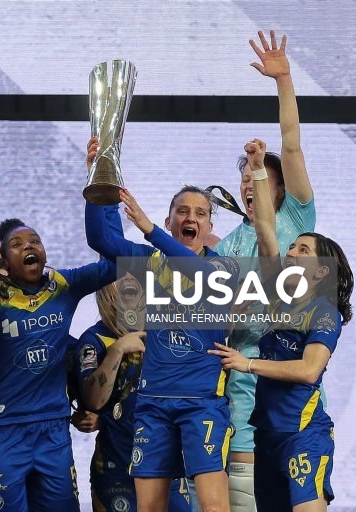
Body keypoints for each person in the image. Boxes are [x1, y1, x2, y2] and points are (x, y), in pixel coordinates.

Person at [86, 137, 239, 512]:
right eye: (182, 212)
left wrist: (149, 228)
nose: (191, 218)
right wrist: (98, 183)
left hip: (202, 404)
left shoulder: (223, 268)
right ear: (172, 221)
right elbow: (102, 238)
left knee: (214, 507)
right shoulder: (150, 261)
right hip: (152, 405)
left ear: (209, 224)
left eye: (200, 213)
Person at [0, 205, 118, 511]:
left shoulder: (64, 284)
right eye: (17, 245)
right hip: (4, 430)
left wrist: (101, 198)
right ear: (4, 263)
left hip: (53, 431)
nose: (28, 246)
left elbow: (116, 264)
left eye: (34, 241)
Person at [210, 138, 351, 511]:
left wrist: (248, 363)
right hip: (264, 438)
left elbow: (308, 371)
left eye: (302, 250)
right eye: (293, 247)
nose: (291, 252)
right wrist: (257, 168)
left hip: (303, 435)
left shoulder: (323, 311)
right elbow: (265, 230)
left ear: (321, 271)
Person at [211, 31, 317, 510]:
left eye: (259, 178)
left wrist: (285, 81)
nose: (249, 184)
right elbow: (212, 320)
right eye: (244, 179)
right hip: (236, 404)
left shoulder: (296, 223)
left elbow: (290, 147)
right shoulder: (229, 245)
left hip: (286, 400)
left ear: (279, 193)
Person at [76, 276, 191, 512]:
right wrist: (117, 351)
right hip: (116, 466)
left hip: (166, 462)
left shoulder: (166, 331)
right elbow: (93, 400)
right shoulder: (94, 339)